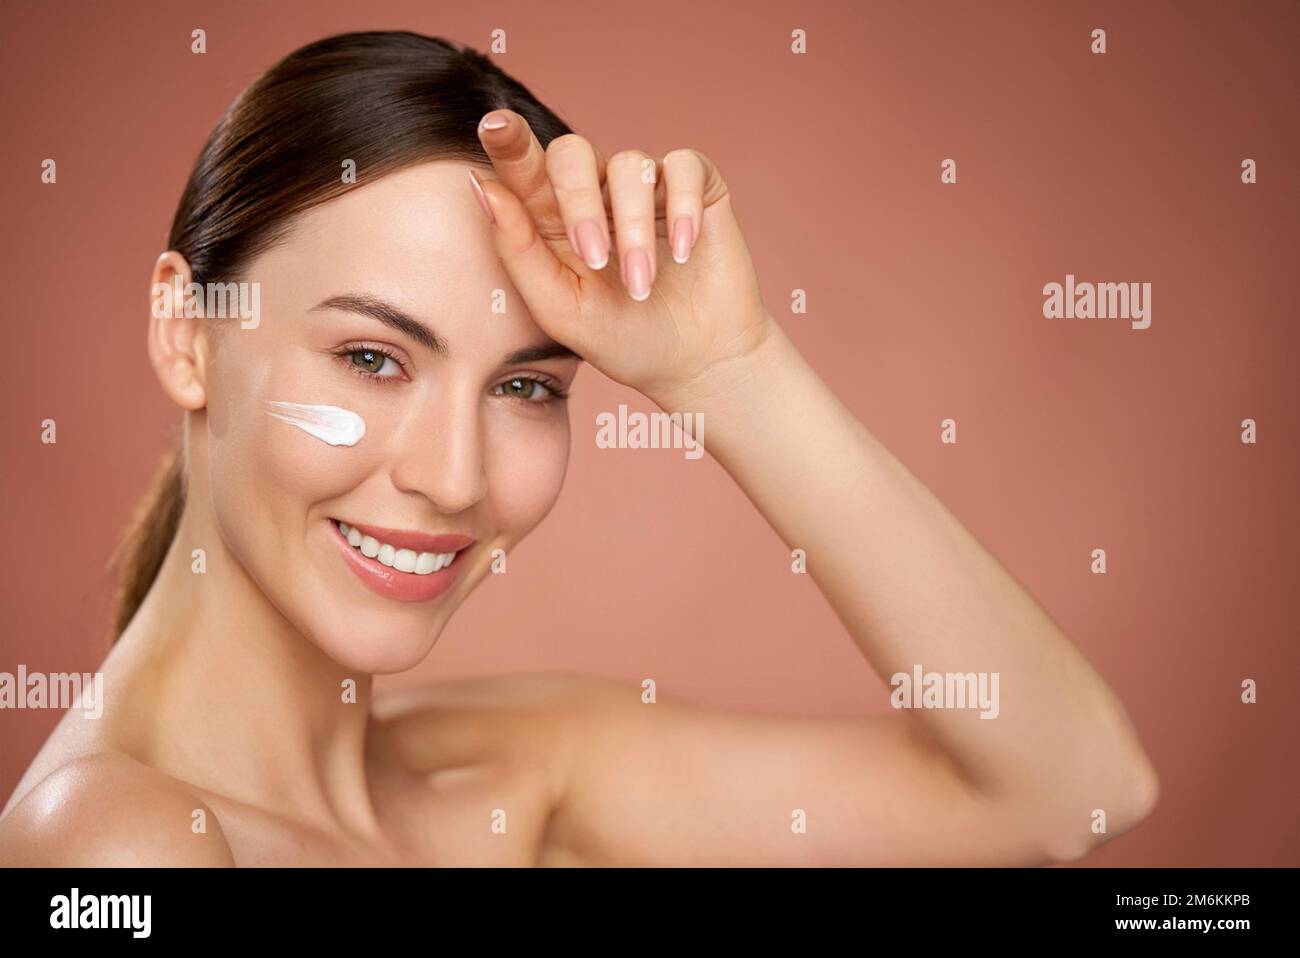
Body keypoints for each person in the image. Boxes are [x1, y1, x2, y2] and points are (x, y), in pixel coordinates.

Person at [0, 31, 1157, 866]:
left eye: (522, 385)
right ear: (186, 334)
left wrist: (728, 368)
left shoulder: (516, 775)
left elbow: (1069, 792)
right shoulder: (116, 851)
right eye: (370, 358)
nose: (453, 477)